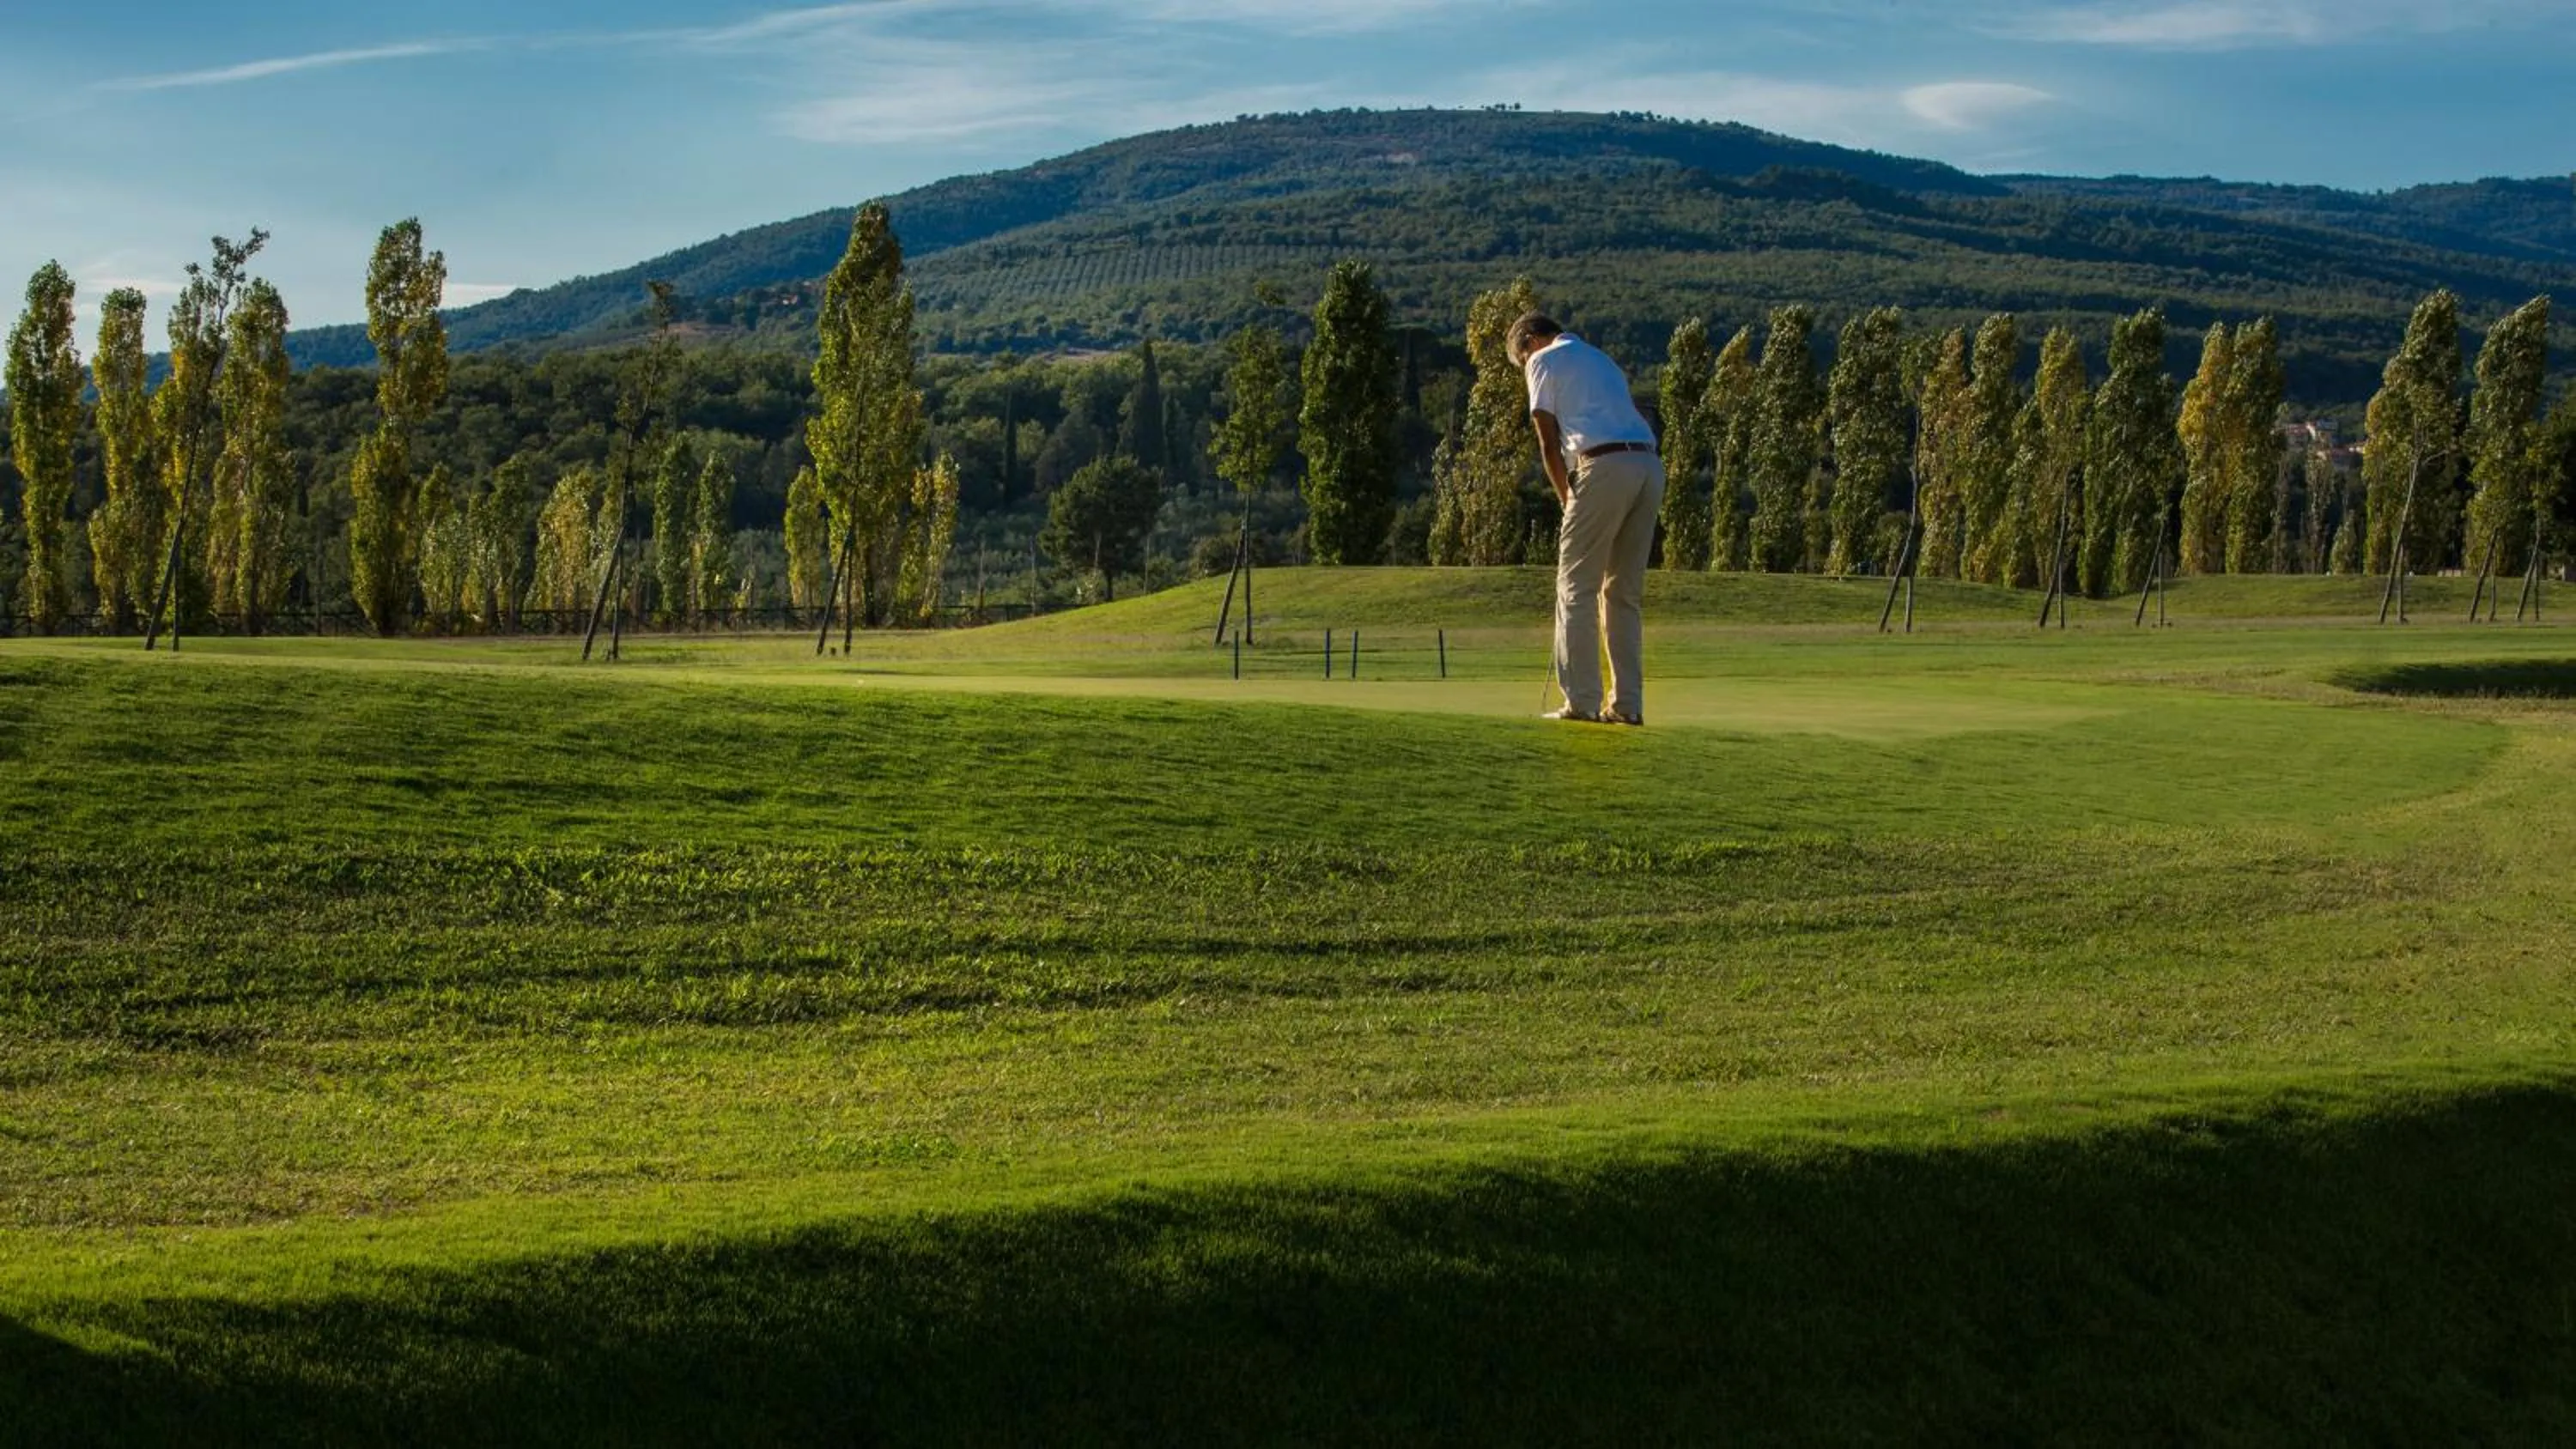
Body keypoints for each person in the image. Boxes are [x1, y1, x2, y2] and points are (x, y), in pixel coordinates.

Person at [1509, 312, 1665, 726]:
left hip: (1601, 465)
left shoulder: (1542, 361)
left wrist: (1566, 498)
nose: (1526, 367)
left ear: (1529, 341)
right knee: (1622, 593)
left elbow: (1547, 440)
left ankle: (1581, 702)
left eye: (1521, 359)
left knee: (1575, 586)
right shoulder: (1601, 359)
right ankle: (1627, 705)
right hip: (1648, 465)